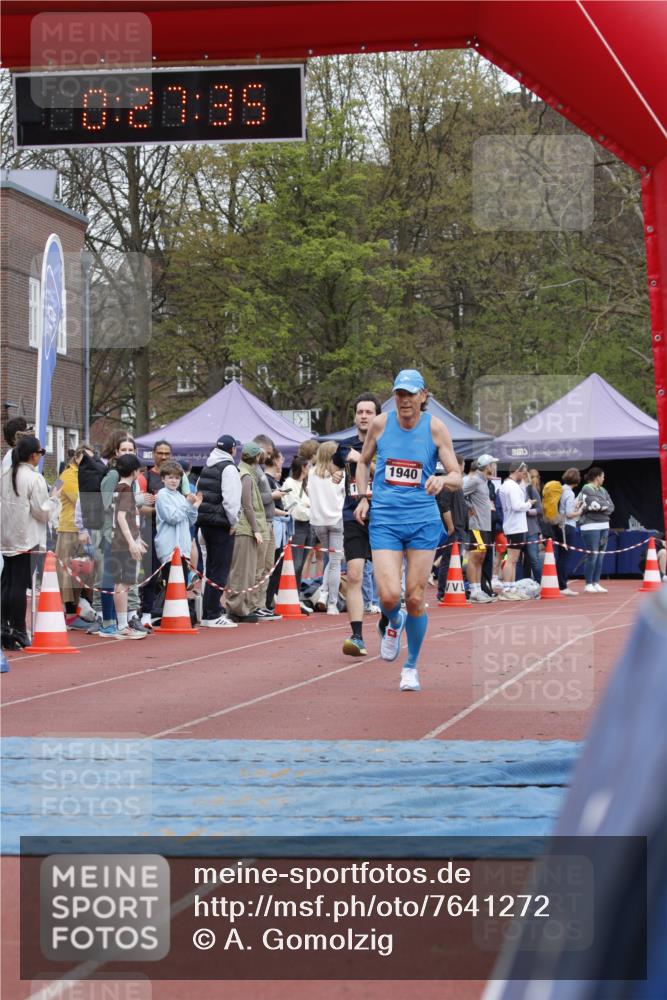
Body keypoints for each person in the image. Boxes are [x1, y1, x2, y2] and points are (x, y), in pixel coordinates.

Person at [355, 370, 461, 692]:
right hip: (386, 518)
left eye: (410, 394)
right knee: (389, 597)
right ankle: (394, 623)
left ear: (423, 396)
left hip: (422, 522)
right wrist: (363, 496)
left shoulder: (436, 429)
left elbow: (457, 474)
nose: (404, 400)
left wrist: (442, 480)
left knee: (415, 598)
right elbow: (363, 461)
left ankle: (411, 665)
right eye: (399, 394)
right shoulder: (381, 424)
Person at [332, 392, 385, 656]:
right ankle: (357, 636)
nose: (364, 416)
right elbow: (333, 464)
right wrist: (337, 471)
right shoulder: (345, 446)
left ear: (378, 416)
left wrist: (365, 461)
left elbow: (387, 471)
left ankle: (387, 621)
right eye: (360, 412)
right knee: (354, 575)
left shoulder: (387, 444)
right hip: (353, 515)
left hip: (383, 516)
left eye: (369, 412)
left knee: (385, 579)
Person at [1, 435, 60, 649]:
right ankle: (17, 628)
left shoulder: (6, 474)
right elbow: (41, 511)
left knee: (7, 582)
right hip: (26, 536)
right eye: (40, 453)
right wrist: (53, 500)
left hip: (7, 534)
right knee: (18, 584)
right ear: (34, 455)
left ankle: (4, 626)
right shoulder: (34, 479)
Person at [196, 433, 241, 628]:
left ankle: (209, 611)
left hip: (205, 521)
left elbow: (199, 491)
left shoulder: (208, 466)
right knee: (220, 570)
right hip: (221, 523)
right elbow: (231, 500)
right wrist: (233, 522)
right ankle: (213, 613)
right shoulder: (229, 468)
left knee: (211, 568)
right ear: (232, 449)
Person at [226, 442, 271, 623]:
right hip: (245, 528)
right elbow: (247, 505)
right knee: (241, 571)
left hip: (247, 527)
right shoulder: (246, 475)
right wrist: (256, 529)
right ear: (256, 457)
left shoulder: (246, 472)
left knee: (247, 571)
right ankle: (237, 608)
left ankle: (242, 607)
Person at [110, 453, 148, 639]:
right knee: (123, 583)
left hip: (120, 541)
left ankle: (122, 624)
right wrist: (132, 541)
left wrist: (136, 538)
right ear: (135, 472)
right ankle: (123, 625)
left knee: (122, 582)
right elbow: (121, 517)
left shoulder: (119, 488)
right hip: (123, 544)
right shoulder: (125, 490)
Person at [308, 440, 346, 614]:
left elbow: (310, 493)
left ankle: (323, 593)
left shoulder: (311, 473)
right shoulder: (340, 474)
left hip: (318, 521)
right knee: (335, 563)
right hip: (336, 520)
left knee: (330, 560)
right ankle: (331, 603)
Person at [497, 460, 536, 600]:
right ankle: (507, 589)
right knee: (512, 559)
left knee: (513, 559)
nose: (524, 475)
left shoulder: (508, 485)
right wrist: (529, 504)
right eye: (523, 472)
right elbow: (517, 506)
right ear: (517, 471)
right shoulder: (511, 486)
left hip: (514, 525)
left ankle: (511, 588)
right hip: (514, 526)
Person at [280, 455, 314, 613]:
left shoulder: (306, 484)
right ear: (303, 468)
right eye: (309, 466)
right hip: (297, 526)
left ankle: (297, 595)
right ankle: (288, 596)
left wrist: (308, 508)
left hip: (309, 526)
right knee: (296, 563)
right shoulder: (289, 483)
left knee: (301, 563)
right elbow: (295, 509)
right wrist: (311, 510)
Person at [462, 454, 497, 604]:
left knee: (481, 557)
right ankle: (474, 590)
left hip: (484, 526)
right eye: (492, 464)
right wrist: (469, 507)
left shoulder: (483, 481)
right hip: (477, 526)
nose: (494, 467)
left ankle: (478, 589)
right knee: (475, 557)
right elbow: (459, 493)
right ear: (487, 466)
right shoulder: (475, 480)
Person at [436, 454, 467, 601]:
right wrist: (450, 526)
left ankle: (450, 588)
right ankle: (442, 592)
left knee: (454, 560)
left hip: (459, 527)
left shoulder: (456, 484)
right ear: (459, 465)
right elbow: (444, 505)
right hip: (453, 528)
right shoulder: (448, 484)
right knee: (448, 560)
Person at [579, 466, 615, 593]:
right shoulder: (586, 488)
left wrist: (602, 506)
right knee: (592, 555)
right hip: (590, 526)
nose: (604, 478)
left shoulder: (603, 490)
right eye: (603, 476)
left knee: (600, 555)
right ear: (597, 476)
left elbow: (611, 507)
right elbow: (594, 505)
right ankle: (588, 583)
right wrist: (602, 505)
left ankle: (596, 582)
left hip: (604, 525)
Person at [264, 449, 291, 612]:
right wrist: (286, 512)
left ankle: (268, 600)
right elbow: (267, 505)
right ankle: (265, 602)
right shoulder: (266, 480)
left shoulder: (272, 480)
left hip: (279, 526)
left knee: (276, 566)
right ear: (274, 460)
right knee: (271, 566)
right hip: (273, 525)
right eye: (281, 459)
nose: (282, 462)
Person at [552, 467, 584, 596]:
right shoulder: (570, 493)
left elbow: (563, 509)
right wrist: (580, 510)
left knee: (560, 555)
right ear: (576, 480)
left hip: (558, 525)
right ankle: (562, 585)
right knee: (565, 556)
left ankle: (559, 583)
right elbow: (570, 514)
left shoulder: (560, 489)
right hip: (567, 526)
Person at [523, 468, 543, 584]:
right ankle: (523, 584)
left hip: (531, 530)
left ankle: (539, 584)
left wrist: (527, 510)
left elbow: (540, 509)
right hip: (519, 529)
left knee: (533, 558)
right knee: (521, 560)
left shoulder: (531, 489)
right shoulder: (515, 489)